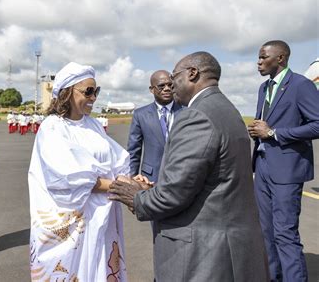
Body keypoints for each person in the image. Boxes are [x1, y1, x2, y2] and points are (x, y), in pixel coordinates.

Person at [109, 51, 269, 281]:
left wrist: (135, 197)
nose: (171, 86)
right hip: (230, 247)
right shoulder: (228, 110)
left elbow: (173, 195)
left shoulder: (197, 116)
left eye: (174, 77)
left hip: (205, 256)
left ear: (192, 73)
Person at [28, 62, 141, 281]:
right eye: (88, 91)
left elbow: (117, 161)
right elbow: (68, 178)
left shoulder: (94, 126)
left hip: (101, 218)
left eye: (96, 91)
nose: (93, 97)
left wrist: (133, 180)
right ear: (67, 92)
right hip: (71, 224)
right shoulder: (52, 127)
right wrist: (122, 187)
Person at [247, 40, 319, 281]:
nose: (258, 62)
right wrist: (257, 131)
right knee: (265, 233)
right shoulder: (263, 88)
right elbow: (265, 124)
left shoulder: (301, 85)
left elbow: (317, 124)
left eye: (262, 57)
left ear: (281, 58)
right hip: (263, 167)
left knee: (285, 235)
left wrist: (274, 132)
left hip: (287, 171)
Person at [127, 70, 182, 183]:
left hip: (181, 176)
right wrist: (133, 177)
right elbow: (134, 150)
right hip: (150, 178)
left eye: (170, 85)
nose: (167, 88)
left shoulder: (186, 111)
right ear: (151, 89)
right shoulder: (140, 114)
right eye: (161, 86)